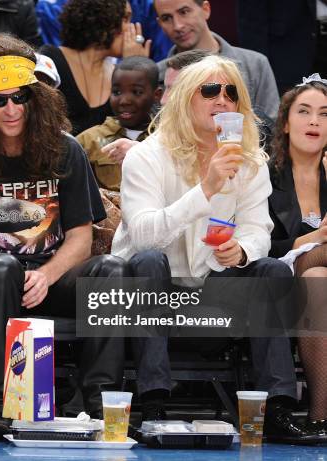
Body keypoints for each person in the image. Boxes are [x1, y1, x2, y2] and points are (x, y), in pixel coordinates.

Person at [111, 55, 323, 444]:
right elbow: (142, 237)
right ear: (182, 100)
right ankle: (154, 403)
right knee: (147, 261)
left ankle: (275, 408)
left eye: (231, 93)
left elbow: (259, 228)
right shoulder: (147, 155)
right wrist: (205, 188)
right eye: (209, 90)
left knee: (272, 270)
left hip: (212, 285)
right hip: (150, 290)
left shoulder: (250, 161)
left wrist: (241, 251)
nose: (221, 100)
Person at [0, 33, 130, 438]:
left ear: (34, 98)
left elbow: (81, 236)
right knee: (1, 267)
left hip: (54, 272)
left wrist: (47, 275)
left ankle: (98, 395)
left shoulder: (65, 150)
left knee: (113, 268)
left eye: (19, 97)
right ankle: (1, 398)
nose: (10, 109)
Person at [268, 74, 327, 436]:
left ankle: (321, 417)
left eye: (324, 113)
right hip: (274, 286)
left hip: (318, 287)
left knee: (318, 280)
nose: (315, 121)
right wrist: (316, 238)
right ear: (286, 123)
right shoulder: (263, 174)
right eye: (304, 111)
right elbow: (256, 246)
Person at [153, 0, 280, 122]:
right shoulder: (156, 74)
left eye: (184, 12)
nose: (178, 25)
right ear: (159, 24)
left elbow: (272, 128)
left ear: (205, 9)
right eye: (167, 18)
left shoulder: (255, 64)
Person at [40, 0, 150, 135]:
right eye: (125, 19)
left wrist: (135, 73)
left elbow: (137, 129)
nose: (132, 29)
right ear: (104, 19)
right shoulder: (50, 61)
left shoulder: (119, 74)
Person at [100, 49, 211, 172]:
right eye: (166, 88)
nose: (163, 100)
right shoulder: (163, 134)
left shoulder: (231, 136)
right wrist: (141, 154)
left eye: (174, 89)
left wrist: (142, 156)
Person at [76, 56, 162, 191]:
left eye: (137, 92)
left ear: (157, 95)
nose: (124, 101)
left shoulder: (167, 138)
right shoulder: (88, 141)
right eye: (117, 92)